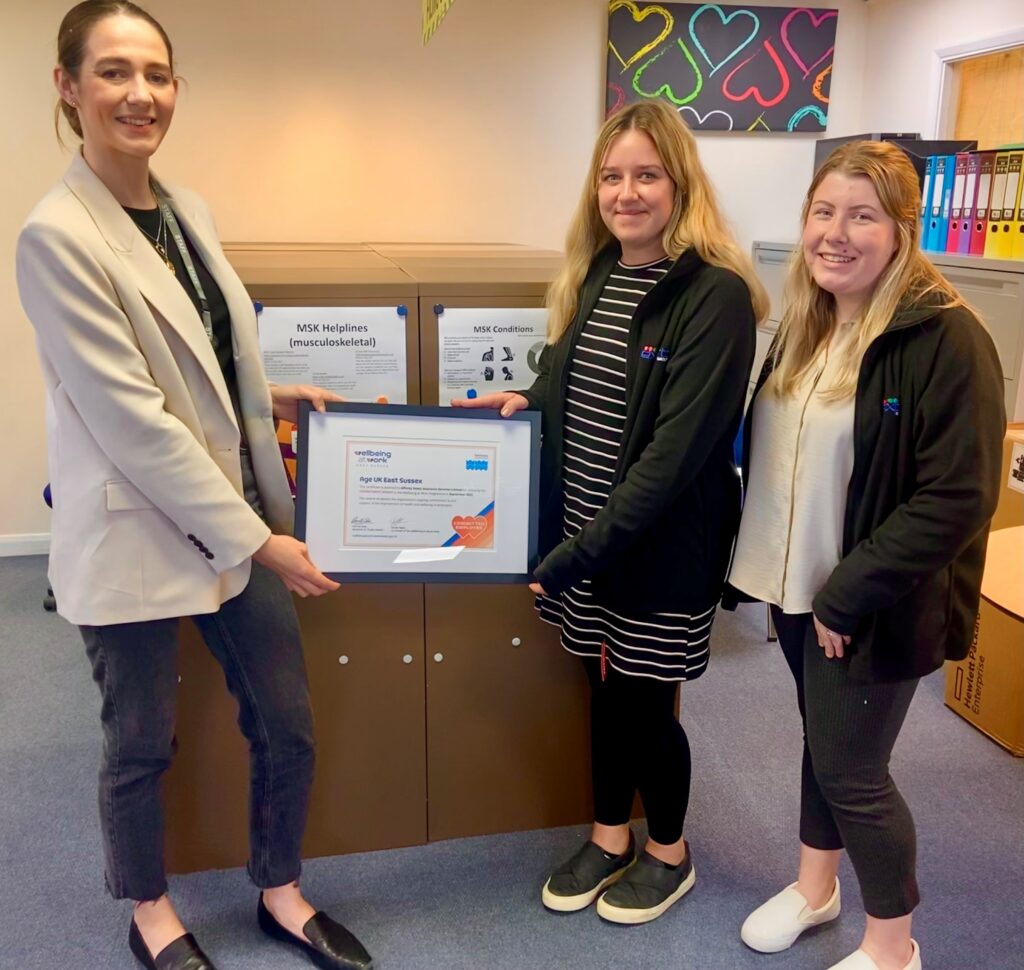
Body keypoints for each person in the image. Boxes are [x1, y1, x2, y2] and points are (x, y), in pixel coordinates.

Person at [16, 4, 374, 969]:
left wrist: (277, 394)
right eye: (115, 73)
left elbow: (211, 349)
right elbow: (134, 419)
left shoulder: (188, 209)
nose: (142, 94)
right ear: (67, 86)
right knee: (140, 743)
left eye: (159, 74)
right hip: (138, 527)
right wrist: (263, 539)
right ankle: (151, 913)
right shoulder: (56, 237)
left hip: (232, 515)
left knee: (286, 721)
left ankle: (280, 891)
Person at [454, 100, 766, 924]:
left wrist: (566, 559)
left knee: (645, 701)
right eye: (611, 176)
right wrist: (526, 399)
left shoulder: (715, 297)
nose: (626, 192)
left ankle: (669, 850)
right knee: (605, 692)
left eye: (645, 175)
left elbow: (670, 461)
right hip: (590, 538)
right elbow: (567, 382)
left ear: (681, 184)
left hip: (656, 550)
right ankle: (608, 835)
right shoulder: (599, 273)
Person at [727, 141, 1004, 970]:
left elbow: (957, 495)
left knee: (856, 772)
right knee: (824, 743)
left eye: (862, 216)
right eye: (823, 212)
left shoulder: (948, 340)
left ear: (902, 231)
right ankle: (817, 890)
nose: (835, 234)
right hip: (793, 586)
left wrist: (846, 595)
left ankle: (894, 947)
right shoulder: (807, 326)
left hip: (869, 603)